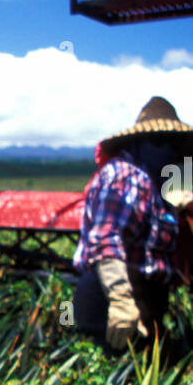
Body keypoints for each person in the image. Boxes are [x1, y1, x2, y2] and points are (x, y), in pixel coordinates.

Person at [73, 96, 193, 351]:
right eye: (157, 142)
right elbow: (105, 237)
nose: (168, 151)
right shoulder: (126, 176)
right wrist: (121, 300)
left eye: (172, 143)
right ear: (138, 144)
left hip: (142, 305)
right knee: (108, 380)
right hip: (115, 306)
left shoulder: (154, 185)